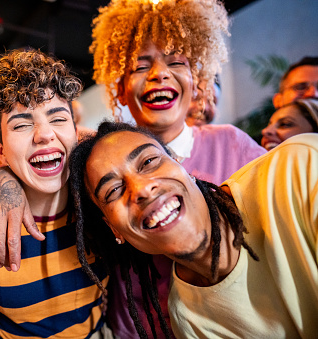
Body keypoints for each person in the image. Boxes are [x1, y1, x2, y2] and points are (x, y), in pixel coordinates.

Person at [87, 0, 267, 336]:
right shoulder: (95, 166)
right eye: (140, 67)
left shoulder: (232, 145)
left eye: (175, 62)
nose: (159, 73)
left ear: (195, 79)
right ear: (121, 90)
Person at [69, 120, 318, 338]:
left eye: (148, 162)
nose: (142, 189)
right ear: (115, 230)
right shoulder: (187, 319)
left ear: (182, 166)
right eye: (113, 190)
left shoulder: (298, 167)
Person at [0, 49, 109, 338]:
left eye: (58, 119)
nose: (43, 134)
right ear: (1, 151)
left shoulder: (102, 209)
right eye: (22, 124)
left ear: (77, 133)